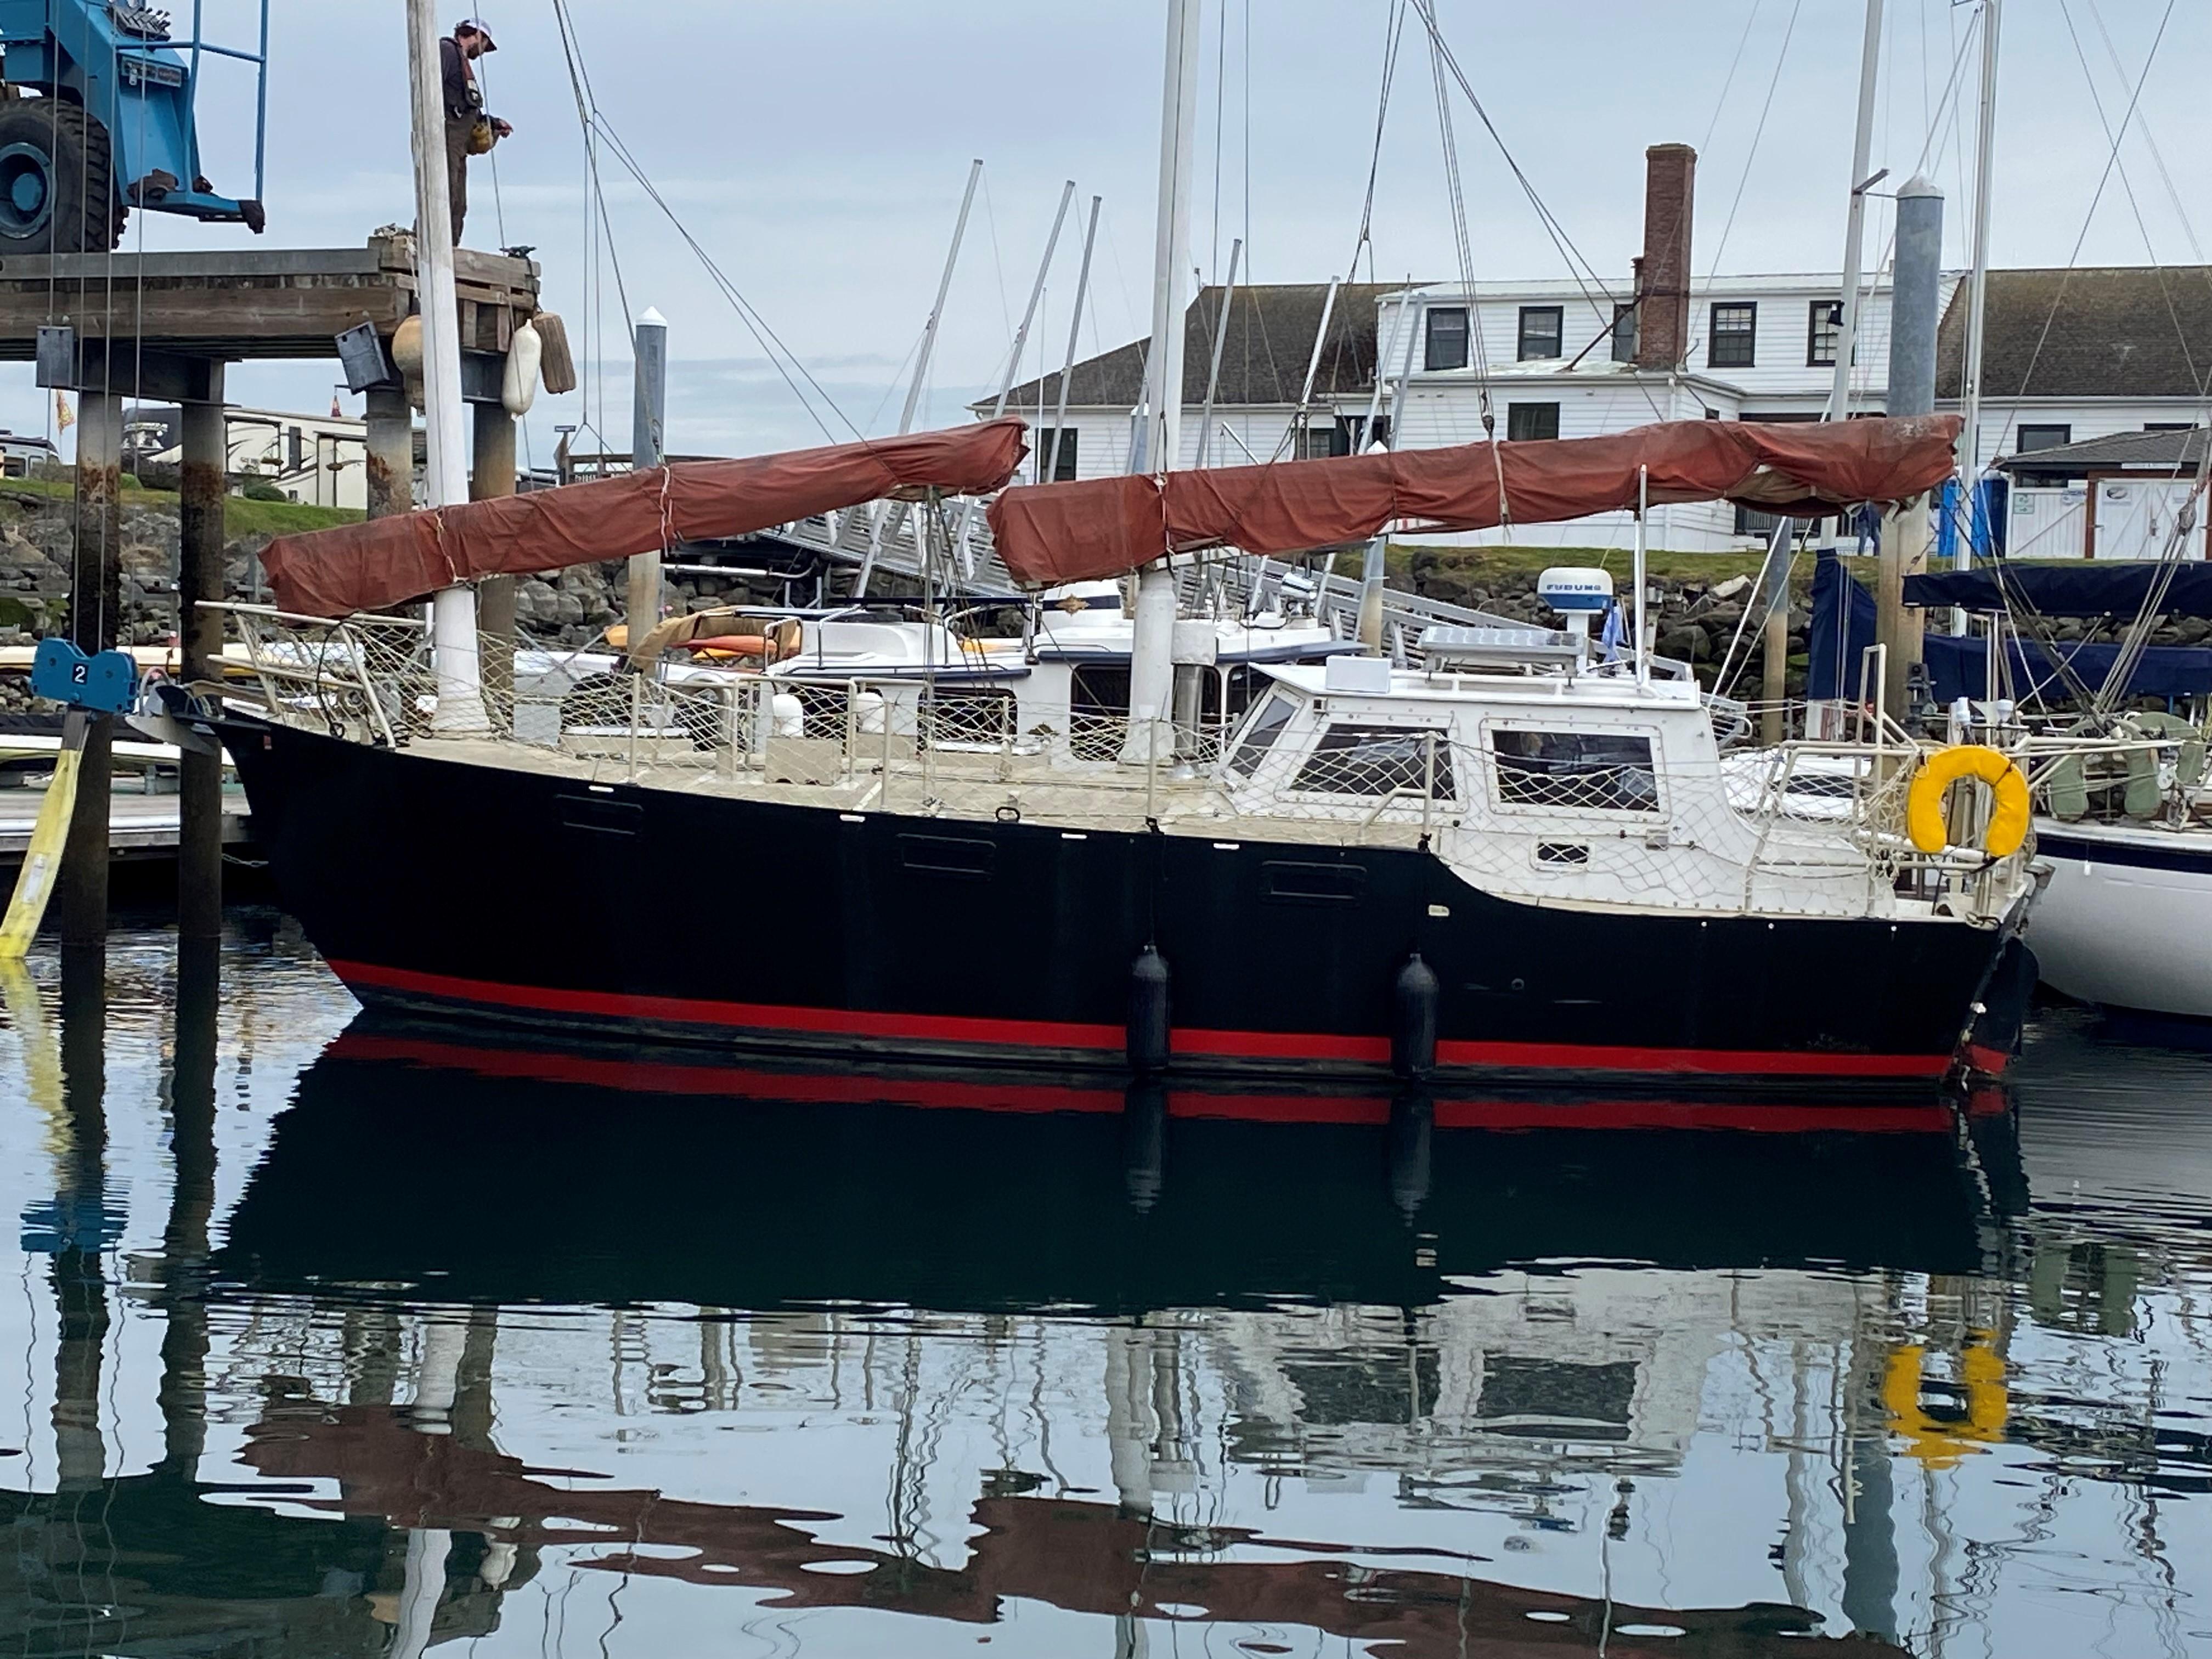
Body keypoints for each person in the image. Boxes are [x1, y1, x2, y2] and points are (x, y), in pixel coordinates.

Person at [441, 20, 512, 246]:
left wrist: (493, 123)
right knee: (442, 195)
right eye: (485, 46)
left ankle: (449, 250)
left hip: (459, 142)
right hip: (445, 136)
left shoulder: (463, 63)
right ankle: (429, 244)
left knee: (458, 203)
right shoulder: (447, 51)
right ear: (478, 36)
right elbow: (430, 88)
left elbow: (469, 107)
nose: (483, 53)